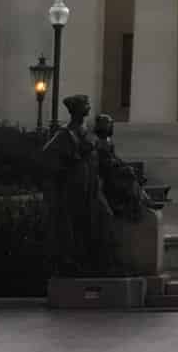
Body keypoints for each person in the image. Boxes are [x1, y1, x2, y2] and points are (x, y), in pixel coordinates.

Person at [41, 94, 114, 275]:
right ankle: (83, 264)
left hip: (91, 184)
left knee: (103, 217)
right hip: (76, 186)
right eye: (86, 104)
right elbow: (48, 155)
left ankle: (99, 262)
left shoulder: (85, 131)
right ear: (77, 109)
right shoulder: (65, 133)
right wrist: (73, 160)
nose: (89, 107)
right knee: (79, 225)